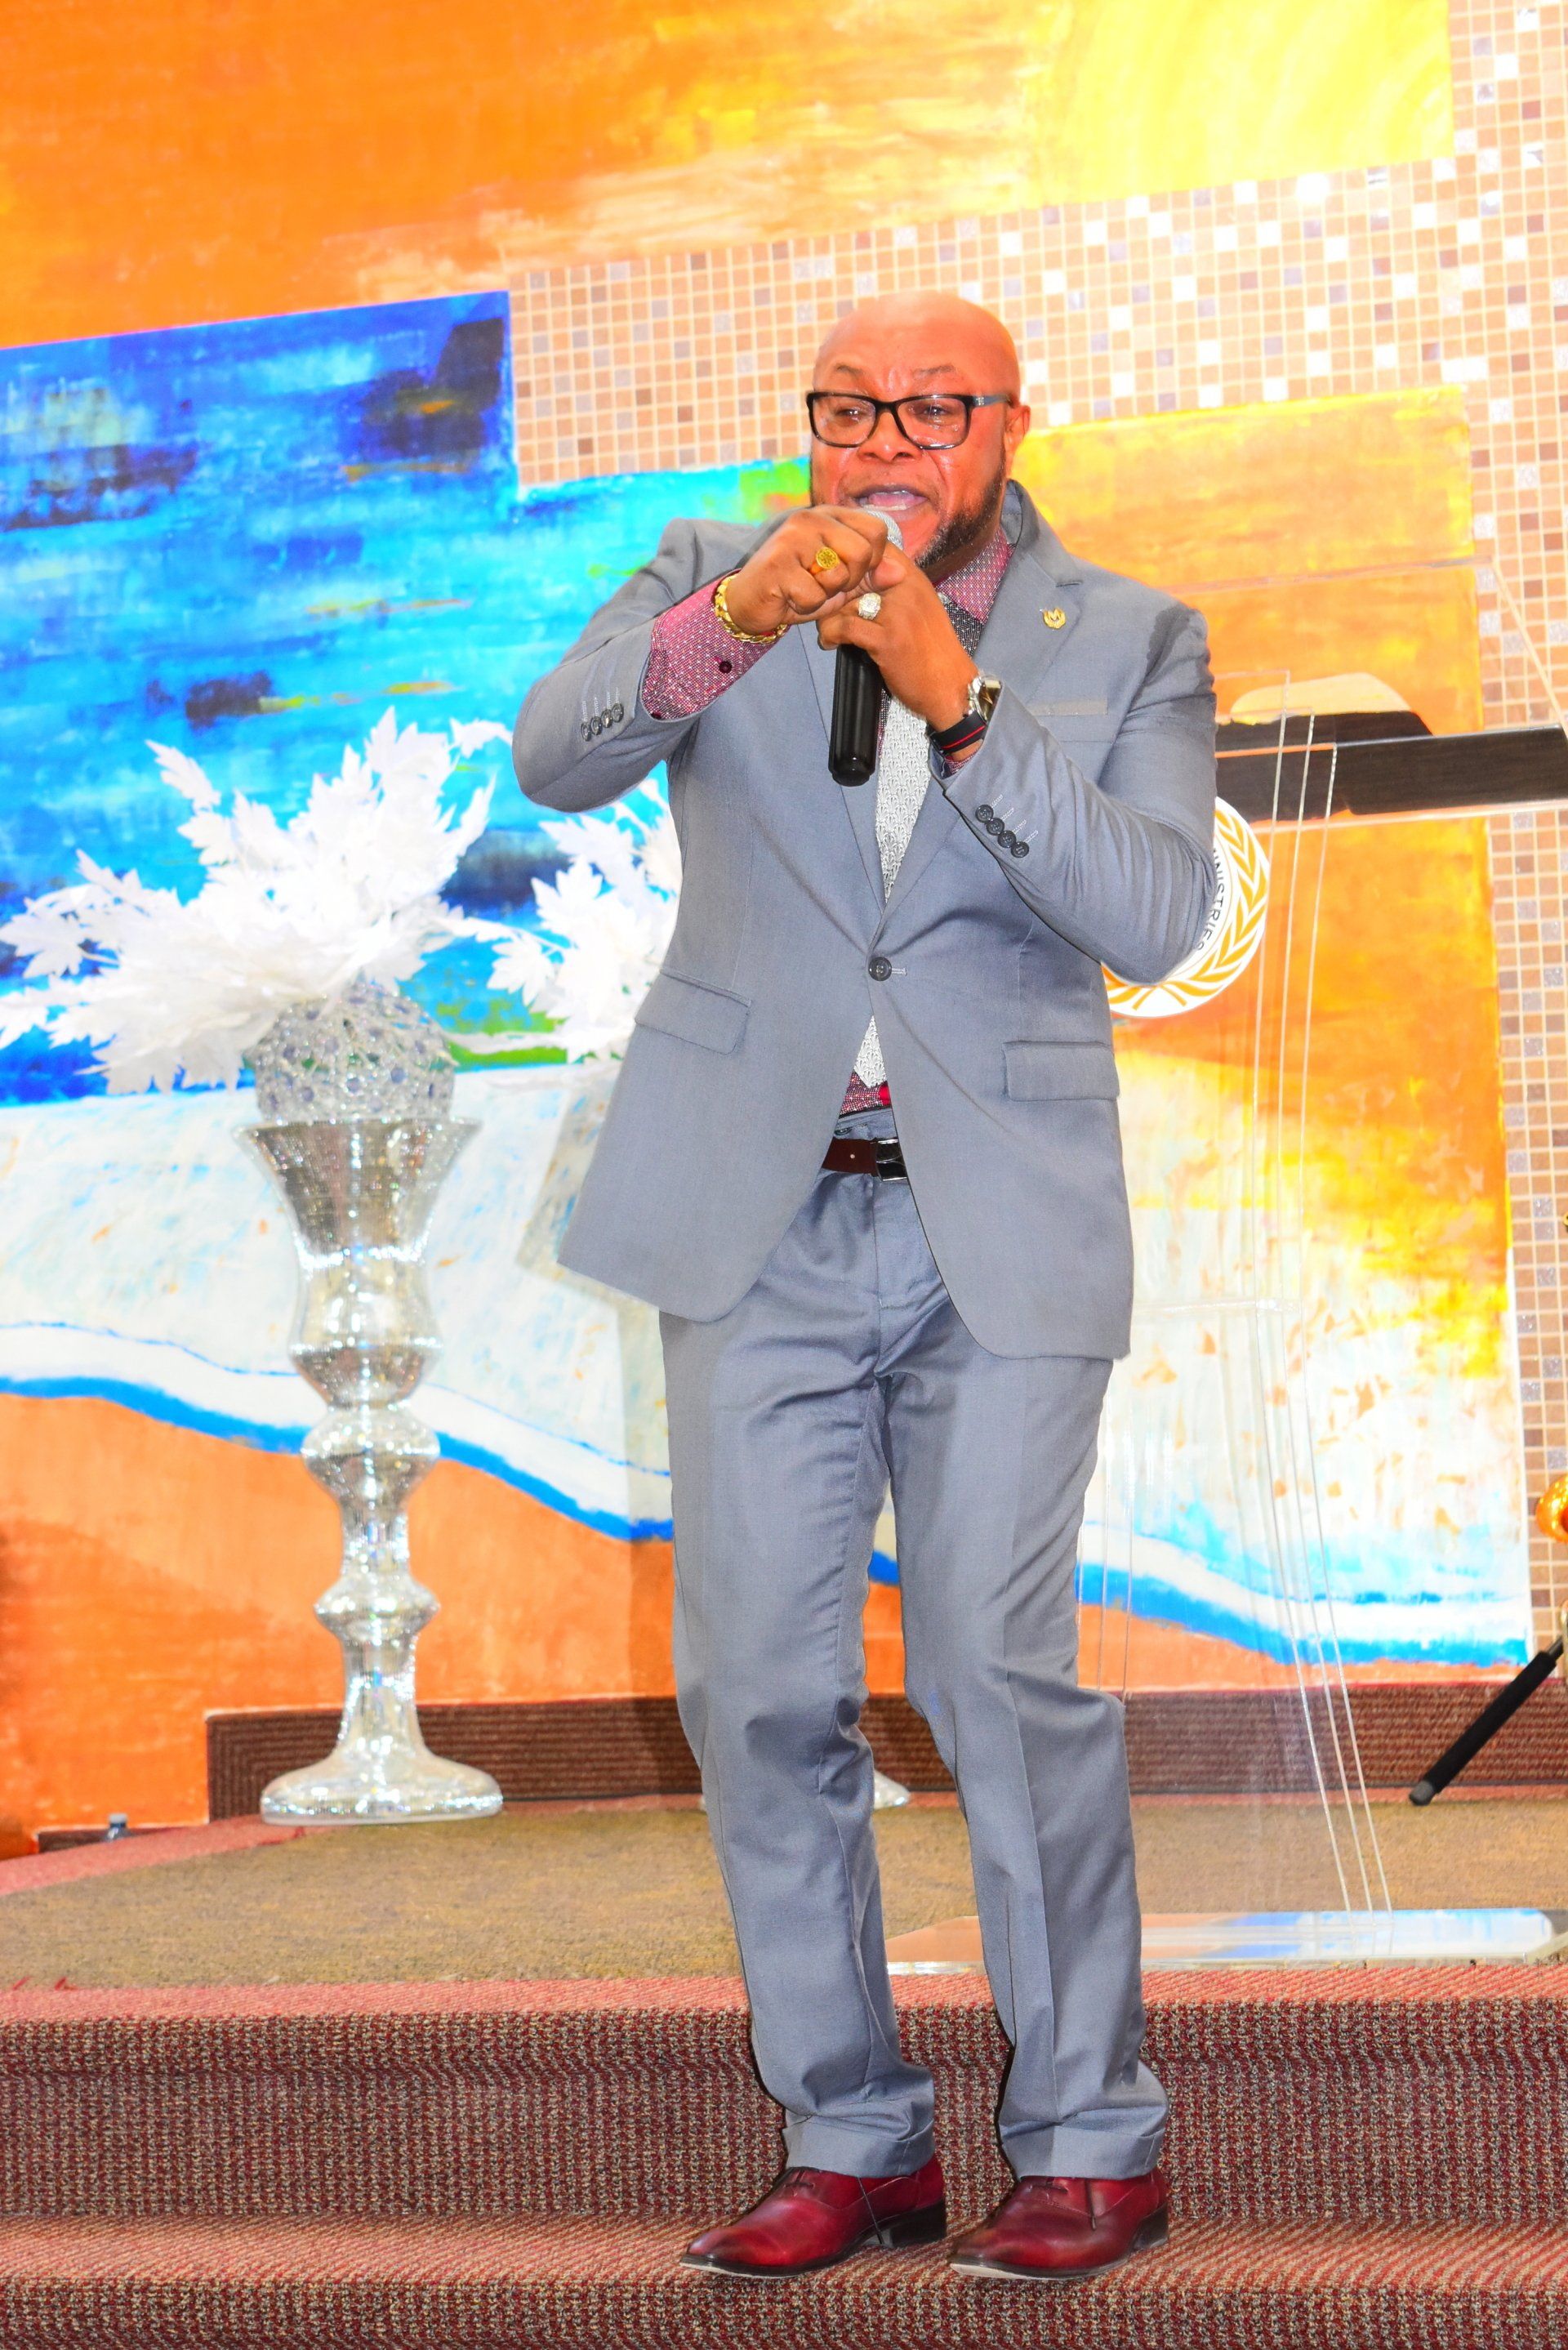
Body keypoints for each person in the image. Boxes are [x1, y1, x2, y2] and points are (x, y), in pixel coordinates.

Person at [512, 292, 1216, 2285]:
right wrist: (741, 616)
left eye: (930, 408)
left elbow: (1159, 912)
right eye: (849, 408)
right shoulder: (705, 572)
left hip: (1001, 1219)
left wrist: (957, 696)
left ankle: (1090, 2137)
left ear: (1009, 423)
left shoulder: (1129, 632)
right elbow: (557, 756)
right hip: (760, 1214)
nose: (885, 443)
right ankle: (852, 2132)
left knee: (994, 1669)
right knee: (758, 1689)